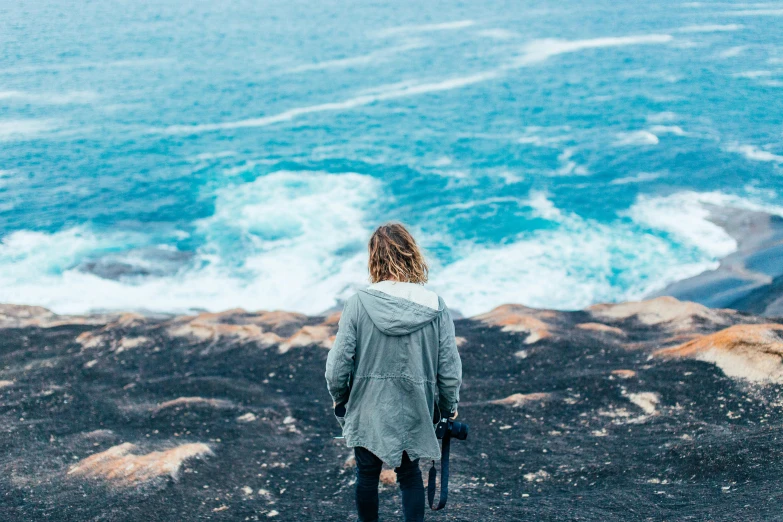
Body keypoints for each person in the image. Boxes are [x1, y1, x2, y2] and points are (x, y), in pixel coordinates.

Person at [325, 222, 463, 522]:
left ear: (374, 258)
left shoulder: (358, 303)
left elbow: (337, 366)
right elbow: (449, 368)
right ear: (411, 254)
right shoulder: (435, 306)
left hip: (368, 406)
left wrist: (341, 398)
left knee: (367, 475)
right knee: (410, 475)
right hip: (413, 407)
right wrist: (448, 408)